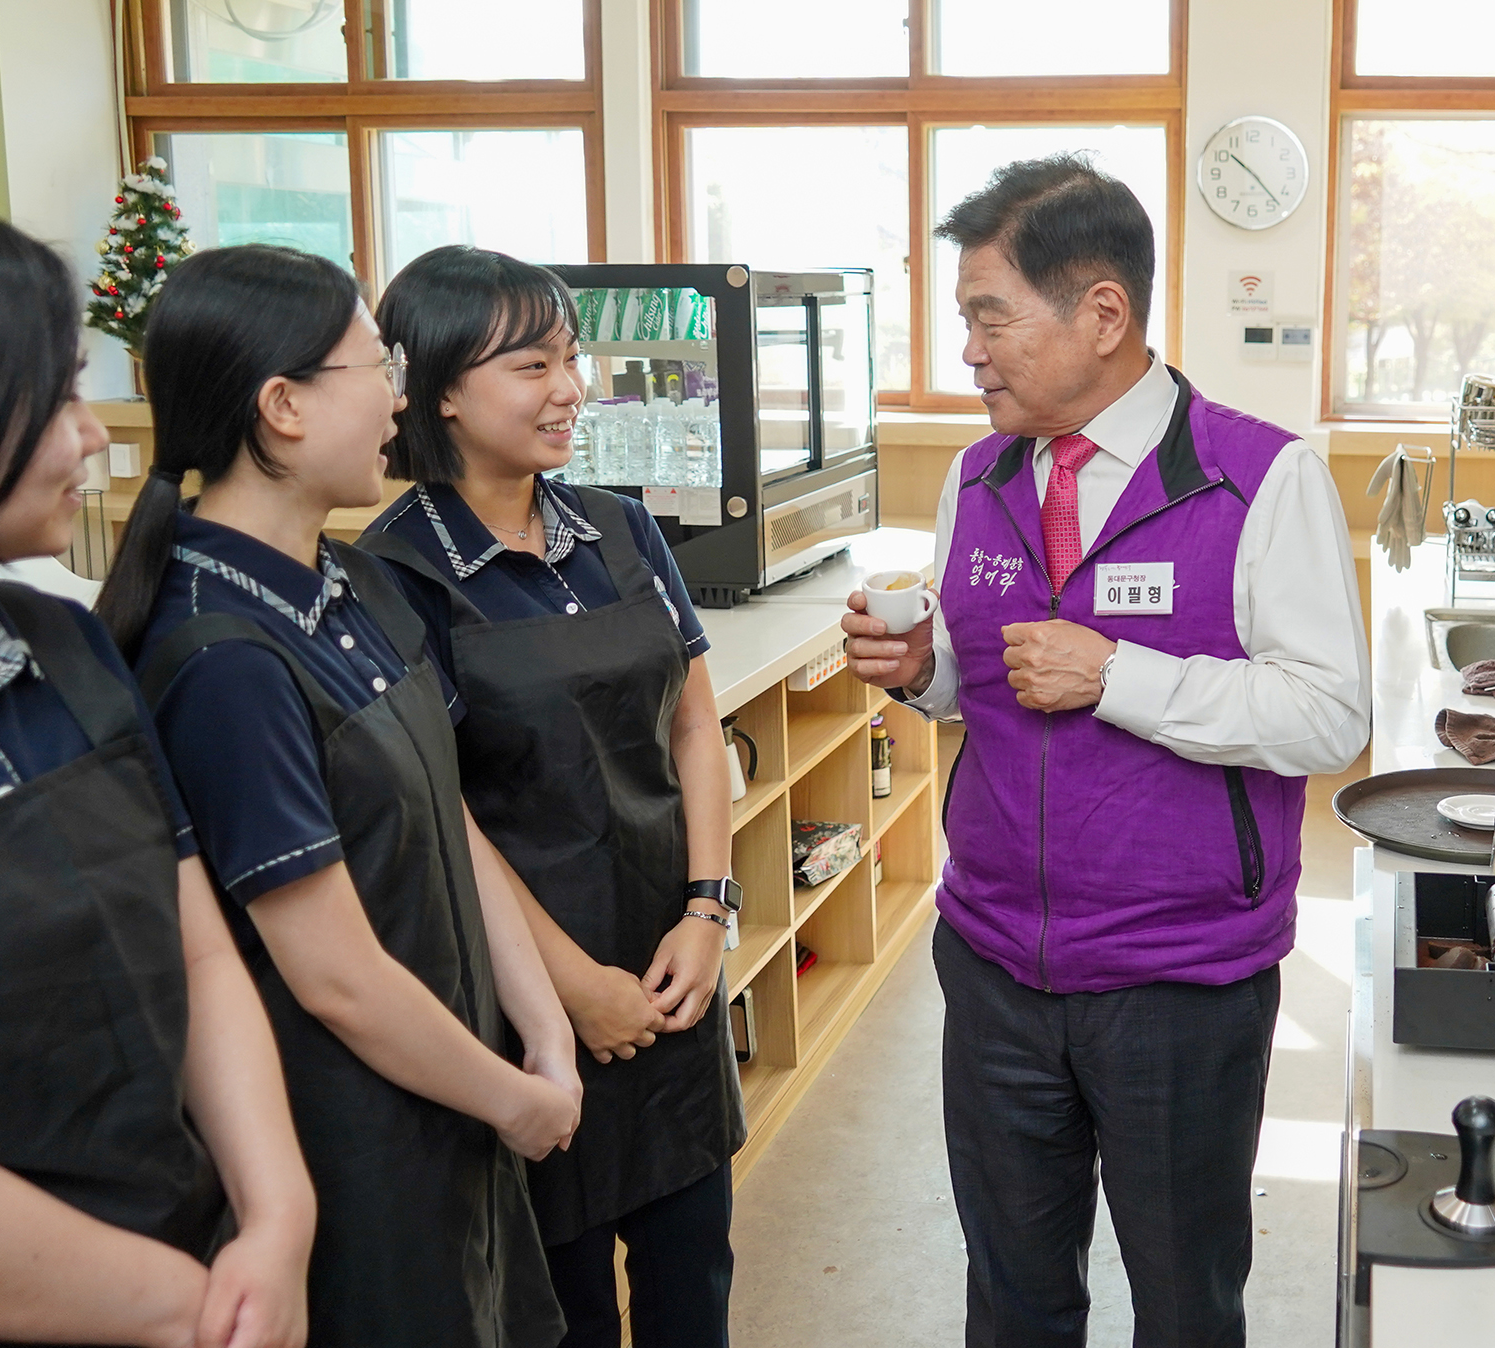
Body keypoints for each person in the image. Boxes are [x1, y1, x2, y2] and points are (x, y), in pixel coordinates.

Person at [841, 155, 1370, 1347]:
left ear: (1102, 313)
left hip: (1178, 982)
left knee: (1184, 1303)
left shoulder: (1258, 476)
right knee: (1012, 1296)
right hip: (991, 968)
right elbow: (985, 689)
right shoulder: (977, 474)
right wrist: (922, 670)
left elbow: (1327, 716)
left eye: (987, 316)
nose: (967, 353)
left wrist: (1115, 675)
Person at [94, 244, 581, 1348]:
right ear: (282, 408)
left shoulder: (344, 578)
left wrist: (540, 1028)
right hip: (360, 1145)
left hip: (458, 1097)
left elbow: (446, 815)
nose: (399, 398)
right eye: (376, 368)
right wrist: (513, 1098)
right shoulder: (222, 656)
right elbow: (337, 978)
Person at [0, 190, 314, 1347]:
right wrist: (206, 1311)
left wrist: (278, 1215)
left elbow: (199, 948)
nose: (97, 434)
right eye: (59, 390)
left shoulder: (62, 644)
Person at [363, 246, 745, 1348]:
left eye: (570, 358)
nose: (570, 388)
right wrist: (569, 988)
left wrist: (707, 908)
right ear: (438, 388)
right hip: (526, 1004)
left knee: (694, 1285)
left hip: (672, 969)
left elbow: (690, 718)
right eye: (532, 364)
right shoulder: (396, 574)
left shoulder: (618, 529)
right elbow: (445, 811)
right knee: (561, 1308)